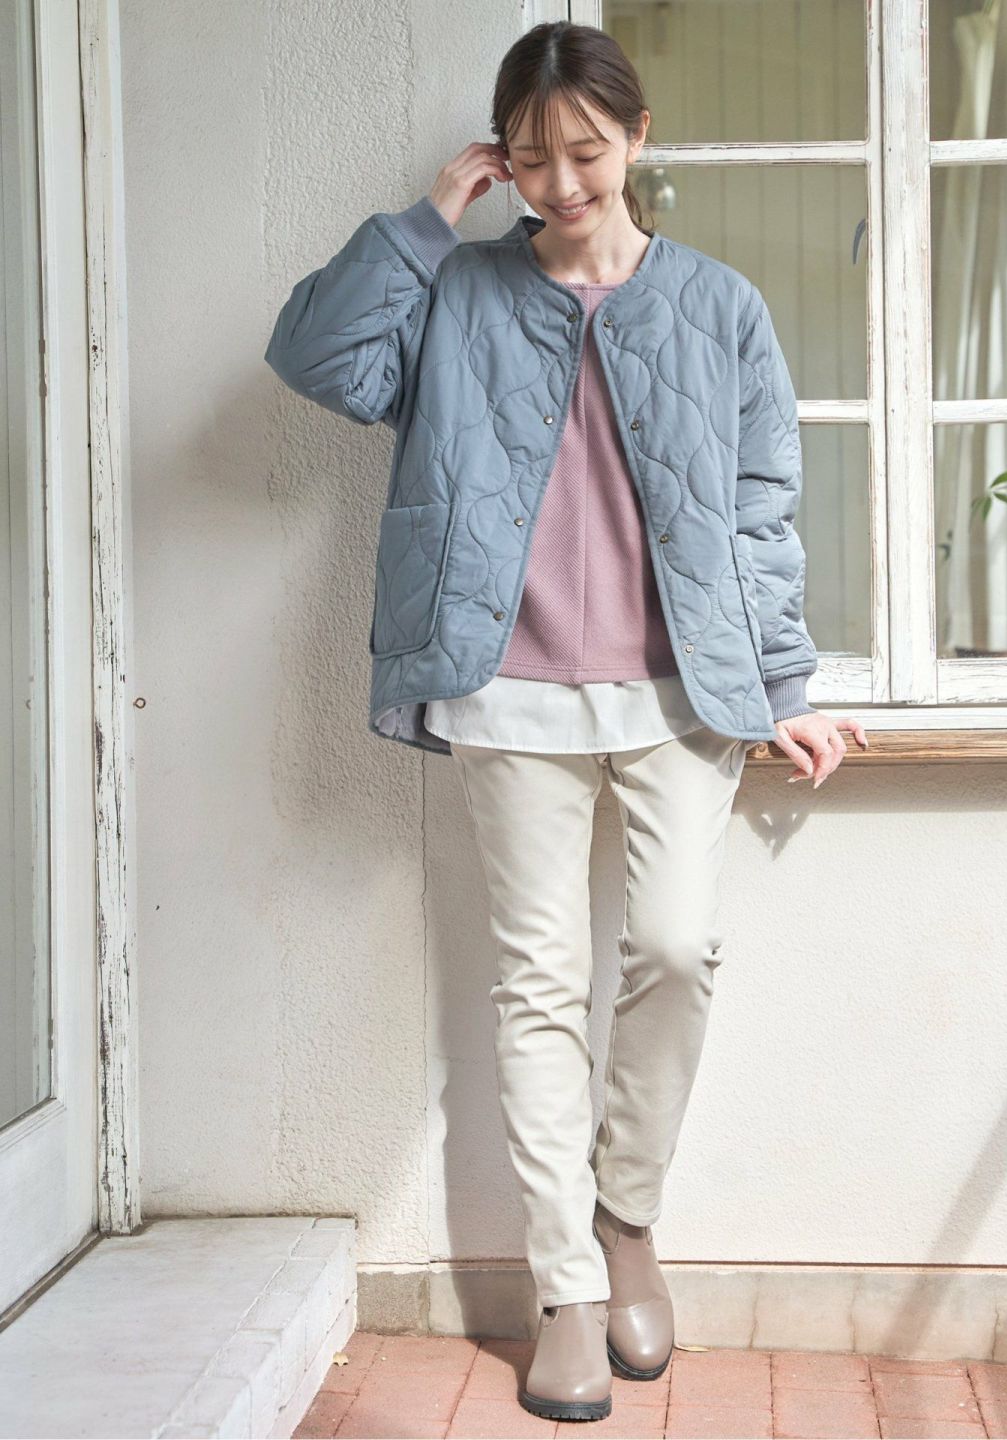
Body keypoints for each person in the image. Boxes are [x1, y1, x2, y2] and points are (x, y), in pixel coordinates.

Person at [265, 20, 867, 1423]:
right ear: (502, 159)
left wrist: (784, 687)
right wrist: (428, 221)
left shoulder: (719, 307)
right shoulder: (457, 290)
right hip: (505, 682)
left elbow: (762, 512)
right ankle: (568, 1292)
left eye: (586, 153)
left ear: (637, 137)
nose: (562, 184)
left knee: (676, 947)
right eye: (531, 160)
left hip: (680, 691)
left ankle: (627, 1218)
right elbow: (317, 361)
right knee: (537, 987)